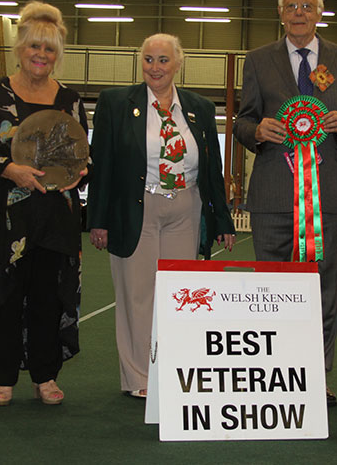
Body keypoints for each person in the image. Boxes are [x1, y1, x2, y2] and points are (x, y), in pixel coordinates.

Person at [233, 0, 337, 406]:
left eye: (307, 5)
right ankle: (273, 372)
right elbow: (241, 121)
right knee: (271, 289)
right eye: (291, 5)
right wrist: (257, 129)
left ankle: (317, 376)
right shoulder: (257, 60)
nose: (298, 12)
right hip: (272, 194)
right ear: (280, 13)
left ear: (319, 13)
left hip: (324, 194)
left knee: (324, 287)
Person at [87, 33, 236, 398]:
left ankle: (171, 370)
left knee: (179, 294)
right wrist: (98, 219)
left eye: (163, 60)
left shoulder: (200, 106)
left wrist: (222, 219)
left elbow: (212, 168)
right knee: (137, 295)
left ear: (178, 63)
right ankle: (138, 378)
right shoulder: (116, 102)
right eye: (149, 60)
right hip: (137, 206)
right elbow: (102, 163)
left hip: (186, 207)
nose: (156, 67)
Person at [0, 1, 89, 406]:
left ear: (58, 55)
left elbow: (83, 152)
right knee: (4, 294)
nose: (41, 55)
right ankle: (1, 377)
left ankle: (45, 375)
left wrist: (83, 171)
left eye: (49, 49)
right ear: (20, 48)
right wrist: (7, 169)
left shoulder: (70, 100)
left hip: (56, 217)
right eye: (34, 46)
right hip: (8, 215)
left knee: (48, 297)